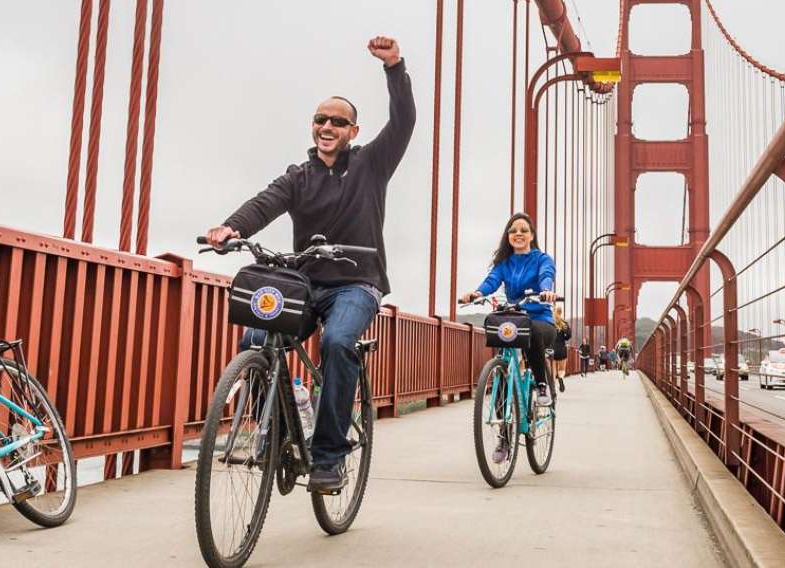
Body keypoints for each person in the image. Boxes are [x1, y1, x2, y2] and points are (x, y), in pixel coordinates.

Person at [204, 36, 413, 494]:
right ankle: (276, 427)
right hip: (305, 284)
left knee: (338, 342)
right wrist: (231, 228)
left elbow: (404, 122)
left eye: (338, 121)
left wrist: (394, 67)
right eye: (320, 119)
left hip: (357, 283)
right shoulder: (298, 176)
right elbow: (265, 204)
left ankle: (329, 456)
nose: (327, 126)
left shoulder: (372, 165)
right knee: (255, 336)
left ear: (353, 131)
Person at [458, 212, 559, 406]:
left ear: (532, 235)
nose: (518, 234)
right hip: (516, 319)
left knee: (534, 331)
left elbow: (546, 275)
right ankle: (502, 389)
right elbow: (492, 280)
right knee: (499, 331)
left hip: (540, 319)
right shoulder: (504, 263)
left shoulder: (542, 259)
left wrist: (546, 290)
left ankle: (541, 385)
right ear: (508, 236)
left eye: (523, 230)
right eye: (513, 231)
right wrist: (477, 294)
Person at [550, 303, 570, 393]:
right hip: (561, 348)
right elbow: (568, 336)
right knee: (561, 369)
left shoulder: (550, 322)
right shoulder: (564, 323)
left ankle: (553, 387)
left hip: (552, 348)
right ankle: (561, 378)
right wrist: (564, 336)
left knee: (552, 370)